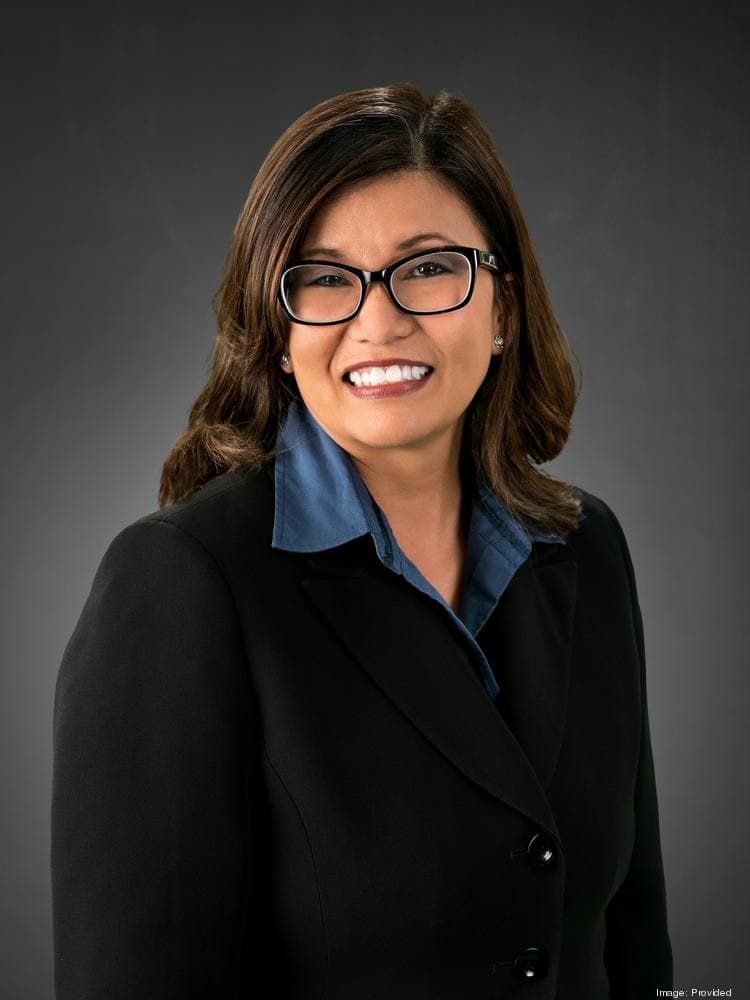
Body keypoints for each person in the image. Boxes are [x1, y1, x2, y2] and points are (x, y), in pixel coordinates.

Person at [51, 83, 673, 998]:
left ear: (502, 306)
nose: (378, 321)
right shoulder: (184, 584)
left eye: (428, 268)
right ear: (276, 328)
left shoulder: (585, 549)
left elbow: (635, 945)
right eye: (326, 277)